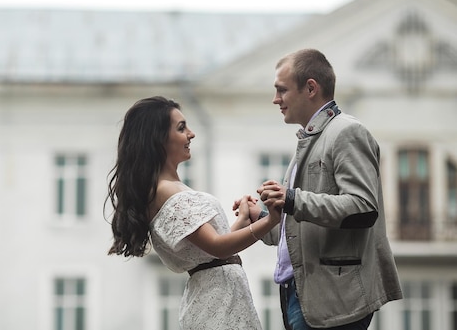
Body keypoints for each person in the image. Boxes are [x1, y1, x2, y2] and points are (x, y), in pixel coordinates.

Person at [256, 49, 402, 330]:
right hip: (305, 294)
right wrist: (261, 217)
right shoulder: (311, 140)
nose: (276, 100)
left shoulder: (346, 131)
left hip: (334, 297)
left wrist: (291, 198)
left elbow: (363, 208)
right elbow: (297, 226)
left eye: (281, 90)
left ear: (311, 88)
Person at [105, 96, 281, 330]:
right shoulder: (167, 192)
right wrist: (272, 219)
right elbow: (219, 247)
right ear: (158, 139)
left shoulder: (166, 190)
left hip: (218, 298)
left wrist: (243, 219)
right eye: (181, 128)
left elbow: (211, 251)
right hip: (217, 303)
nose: (191, 133)